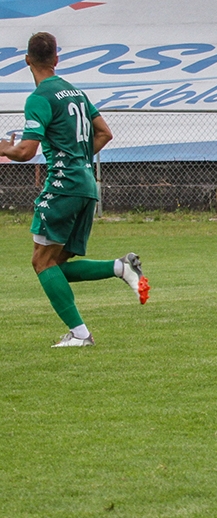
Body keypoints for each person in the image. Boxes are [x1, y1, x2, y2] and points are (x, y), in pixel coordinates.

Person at [0, 32, 150, 347]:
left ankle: (81, 335)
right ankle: (122, 268)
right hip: (85, 184)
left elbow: (26, 151)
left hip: (63, 186)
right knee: (54, 264)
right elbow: (104, 133)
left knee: (41, 261)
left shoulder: (39, 98)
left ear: (27, 60)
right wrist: (78, 159)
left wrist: (6, 149)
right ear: (56, 58)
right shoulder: (76, 93)